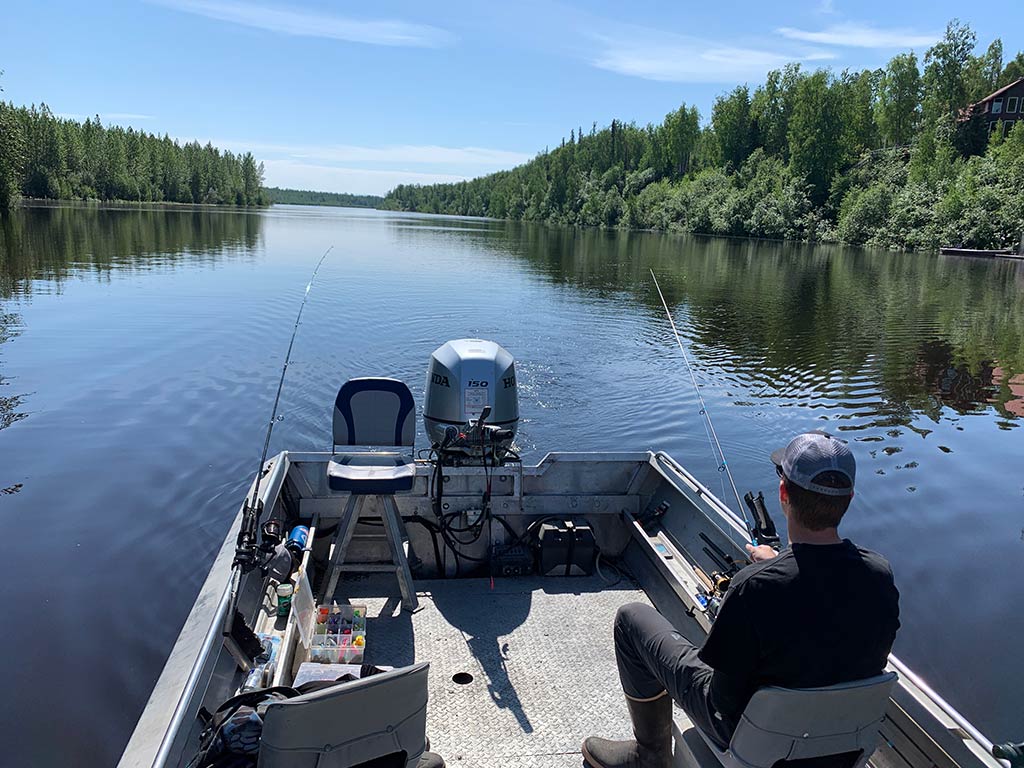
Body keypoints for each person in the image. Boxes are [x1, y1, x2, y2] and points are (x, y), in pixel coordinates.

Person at [582, 431, 900, 768]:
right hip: (839, 741)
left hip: (740, 733)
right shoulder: (880, 576)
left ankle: (649, 755)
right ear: (849, 499)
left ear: (783, 494)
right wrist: (780, 561)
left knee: (632, 619)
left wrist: (771, 570)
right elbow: (822, 599)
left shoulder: (753, 588)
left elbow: (722, 700)